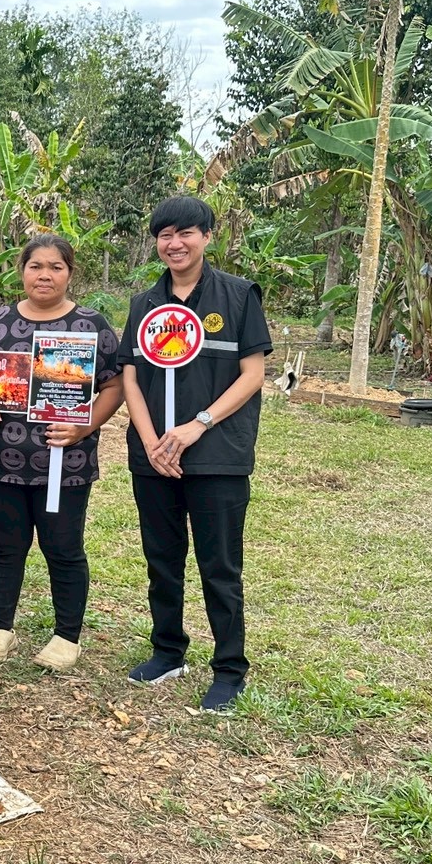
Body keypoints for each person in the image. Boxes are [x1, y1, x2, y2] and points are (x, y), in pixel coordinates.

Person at [120, 196, 271, 713]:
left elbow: (252, 375)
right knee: (162, 560)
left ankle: (230, 669)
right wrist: (150, 440)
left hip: (217, 456)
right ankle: (168, 651)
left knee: (219, 565)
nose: (175, 243)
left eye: (186, 232)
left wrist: (193, 427)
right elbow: (132, 377)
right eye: (165, 234)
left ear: (208, 236)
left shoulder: (238, 296)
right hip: (154, 459)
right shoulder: (144, 305)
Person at [0, 235, 123, 670]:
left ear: (70, 273)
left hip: (65, 461)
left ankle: (66, 636)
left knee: (63, 546)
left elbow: (114, 385)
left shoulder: (91, 326)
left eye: (56, 267)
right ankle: (0, 627)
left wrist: (84, 426)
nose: (45, 275)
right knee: (3, 545)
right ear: (22, 270)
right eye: (36, 265)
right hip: (2, 459)